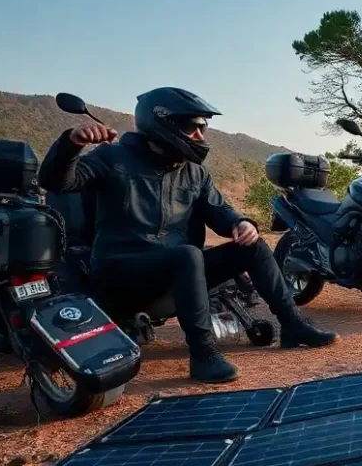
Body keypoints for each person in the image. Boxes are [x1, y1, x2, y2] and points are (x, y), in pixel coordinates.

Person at [38, 87, 337, 384]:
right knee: (188, 254)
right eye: (193, 126)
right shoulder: (111, 159)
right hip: (121, 270)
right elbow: (56, 182)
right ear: (163, 122)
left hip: (176, 268)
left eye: (203, 127)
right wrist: (70, 145)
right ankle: (203, 354)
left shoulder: (195, 173)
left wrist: (242, 223)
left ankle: (293, 325)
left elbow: (221, 212)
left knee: (254, 246)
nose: (200, 135)